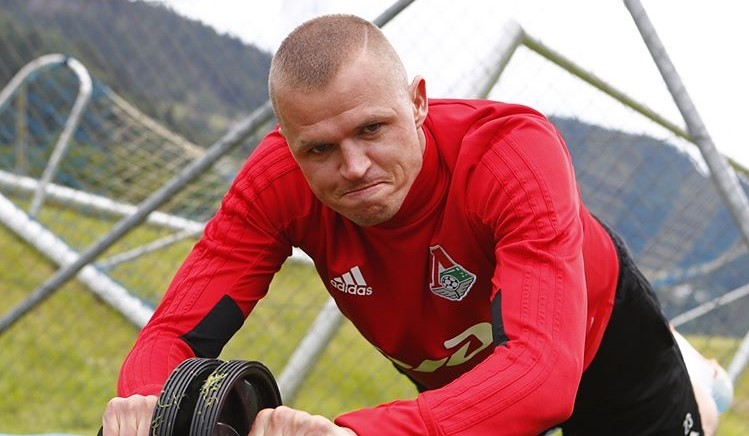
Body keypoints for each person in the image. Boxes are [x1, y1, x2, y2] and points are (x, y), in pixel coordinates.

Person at [102, 14, 731, 435]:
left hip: (593, 343)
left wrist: (354, 434)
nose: (353, 166)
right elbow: (172, 336)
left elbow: (542, 375)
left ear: (419, 102)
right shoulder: (277, 182)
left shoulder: (511, 156)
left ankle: (700, 384)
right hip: (460, 375)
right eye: (318, 148)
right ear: (289, 144)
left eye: (372, 129)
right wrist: (150, 410)